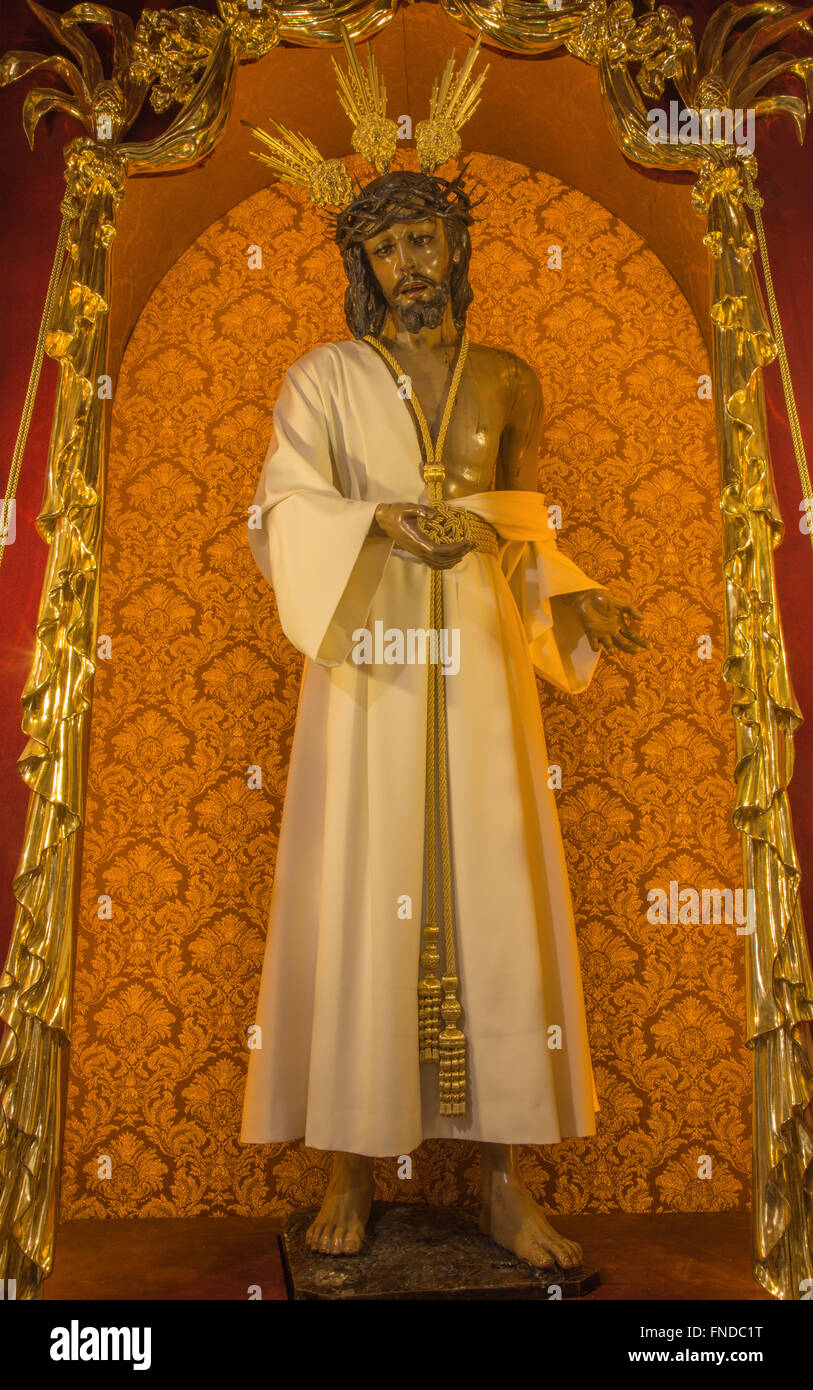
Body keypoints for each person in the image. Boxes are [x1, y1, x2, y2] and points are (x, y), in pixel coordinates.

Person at [240, 169, 647, 1270]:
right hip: (368, 659)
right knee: (363, 886)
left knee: (497, 887)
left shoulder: (510, 382)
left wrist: (575, 593)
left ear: (457, 248)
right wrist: (377, 520)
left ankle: (506, 1182)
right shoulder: (323, 379)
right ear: (363, 270)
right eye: (386, 251)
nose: (409, 266)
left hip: (477, 664)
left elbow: (515, 528)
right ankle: (348, 1170)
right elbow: (281, 510)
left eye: (425, 241)